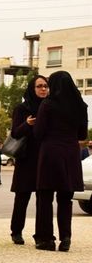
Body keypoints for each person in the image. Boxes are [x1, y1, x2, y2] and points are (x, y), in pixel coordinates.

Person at [33, 71, 88, 252]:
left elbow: (38, 133)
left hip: (50, 153)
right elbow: (82, 135)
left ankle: (46, 239)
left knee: (45, 197)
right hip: (71, 154)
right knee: (66, 198)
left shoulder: (48, 105)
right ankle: (66, 237)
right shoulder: (81, 106)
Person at [8, 75, 48, 245]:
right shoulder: (22, 108)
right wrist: (27, 124)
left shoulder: (50, 107)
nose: (43, 89)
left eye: (46, 86)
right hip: (26, 159)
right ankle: (16, 231)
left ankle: (41, 234)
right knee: (22, 197)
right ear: (33, 88)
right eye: (39, 86)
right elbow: (15, 133)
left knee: (43, 198)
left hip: (44, 158)